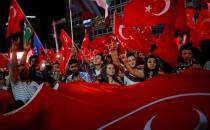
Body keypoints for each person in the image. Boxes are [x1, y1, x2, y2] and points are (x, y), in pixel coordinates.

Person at [9, 38, 39, 107]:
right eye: (21, 70)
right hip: (25, 111)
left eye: (25, 69)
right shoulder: (15, 83)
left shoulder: (33, 82)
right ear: (17, 72)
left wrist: (26, 51)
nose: (24, 70)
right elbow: (14, 68)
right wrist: (14, 51)